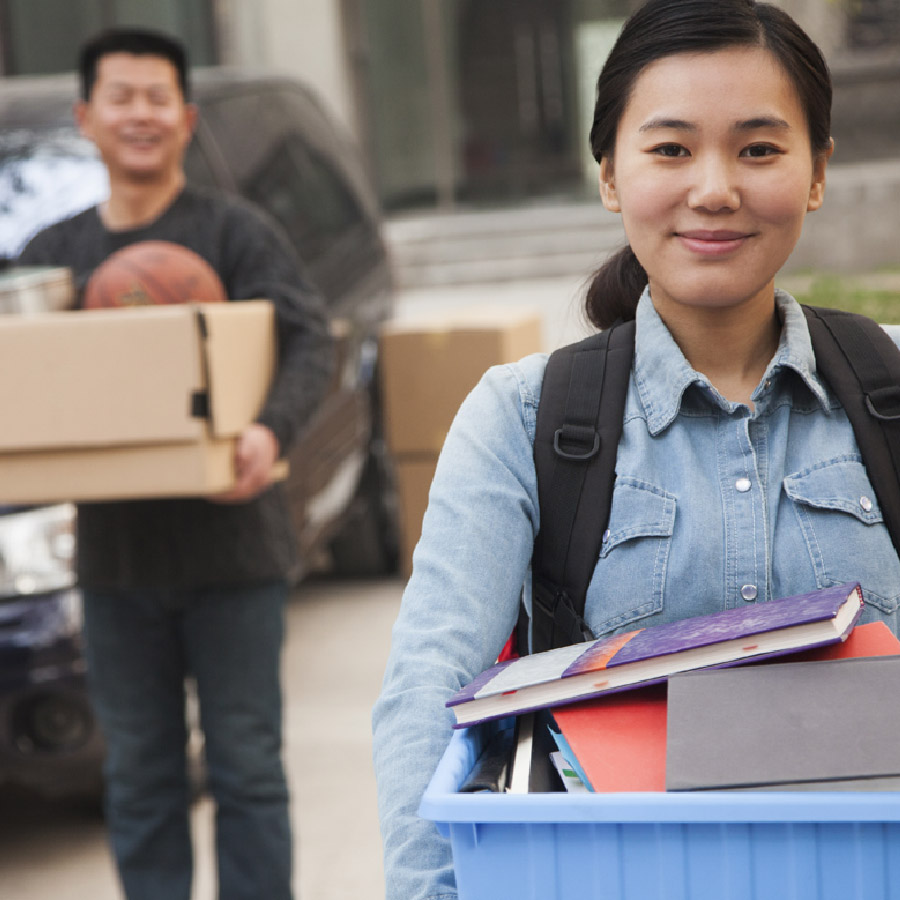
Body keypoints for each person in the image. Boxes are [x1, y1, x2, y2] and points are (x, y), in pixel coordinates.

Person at [371, 1, 900, 897]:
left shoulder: (891, 390)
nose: (715, 188)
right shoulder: (523, 415)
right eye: (671, 148)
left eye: (760, 148)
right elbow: (432, 688)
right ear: (610, 173)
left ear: (817, 173)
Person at [17, 28, 333, 900]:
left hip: (235, 554)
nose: (141, 114)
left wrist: (268, 430)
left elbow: (309, 342)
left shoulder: (236, 232)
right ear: (87, 118)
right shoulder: (52, 255)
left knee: (247, 772)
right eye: (122, 97)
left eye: (158, 97)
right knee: (141, 779)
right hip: (117, 563)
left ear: (187, 118)